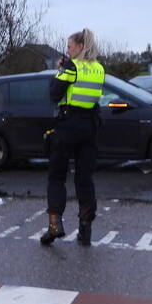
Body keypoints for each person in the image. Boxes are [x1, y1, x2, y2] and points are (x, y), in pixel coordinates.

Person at [40, 28, 105, 247]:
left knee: (56, 177)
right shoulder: (98, 68)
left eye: (69, 46)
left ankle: (55, 225)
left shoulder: (71, 66)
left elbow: (53, 94)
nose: (66, 50)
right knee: (84, 179)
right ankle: (85, 231)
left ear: (79, 47)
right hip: (90, 127)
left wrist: (60, 70)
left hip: (68, 126)